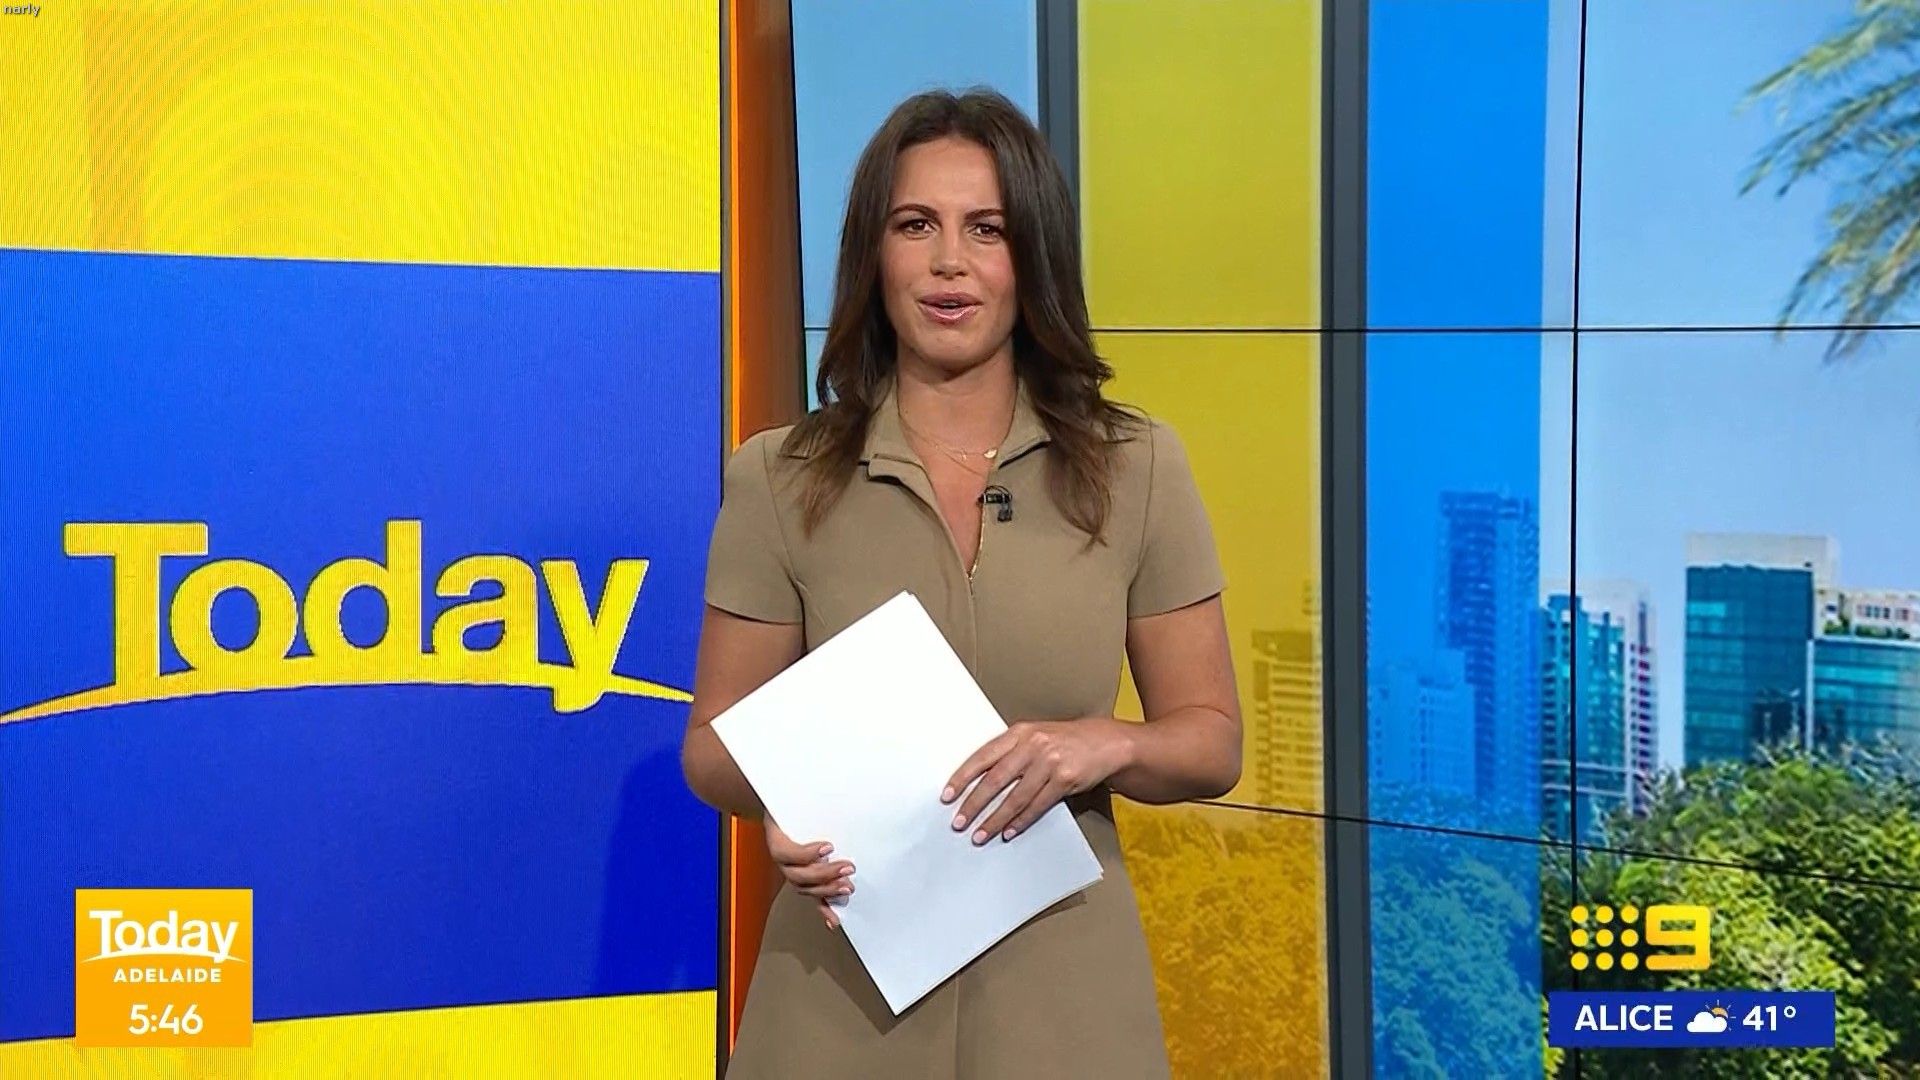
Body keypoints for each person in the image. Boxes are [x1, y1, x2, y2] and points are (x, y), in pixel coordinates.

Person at [681, 88, 1241, 1079]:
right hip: (838, 1003)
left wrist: (1102, 743)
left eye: (987, 229)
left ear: (1033, 256)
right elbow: (713, 746)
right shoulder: (779, 476)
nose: (950, 261)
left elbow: (1210, 739)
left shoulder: (1137, 465)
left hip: (1066, 1004)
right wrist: (781, 808)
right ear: (874, 253)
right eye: (916, 225)